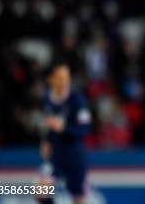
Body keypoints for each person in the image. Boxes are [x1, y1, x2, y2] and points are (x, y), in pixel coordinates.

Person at [40, 63, 91, 204]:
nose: (64, 82)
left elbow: (84, 129)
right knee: (41, 191)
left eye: (66, 78)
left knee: (78, 199)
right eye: (59, 77)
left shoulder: (77, 100)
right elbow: (50, 127)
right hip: (56, 155)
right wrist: (46, 140)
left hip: (74, 156)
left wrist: (64, 129)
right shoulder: (47, 100)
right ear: (50, 80)